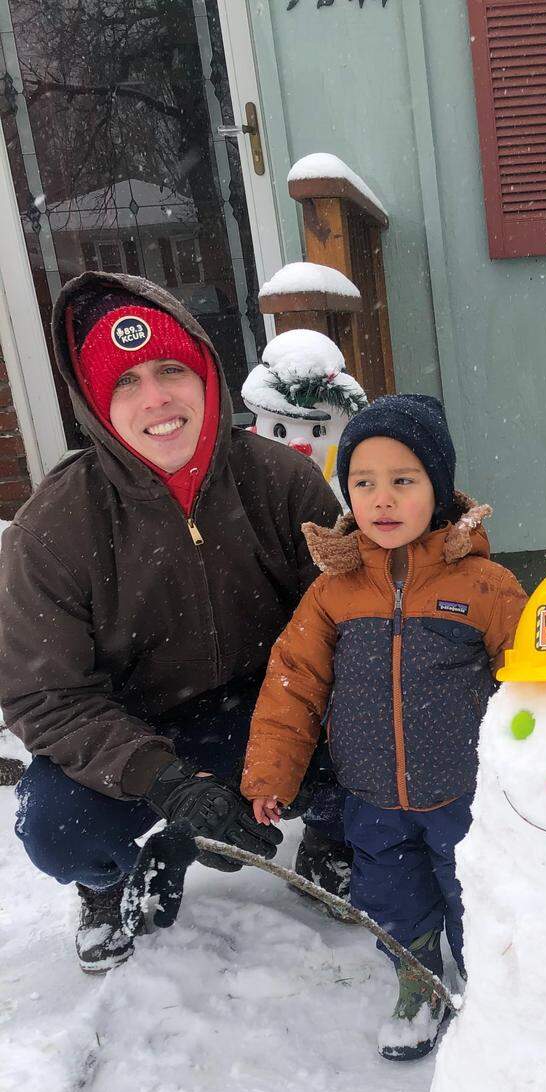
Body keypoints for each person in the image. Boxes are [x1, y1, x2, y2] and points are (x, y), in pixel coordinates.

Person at [0, 271, 347, 972]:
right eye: (125, 381)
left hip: (268, 705)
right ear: (98, 404)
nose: (155, 397)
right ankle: (104, 883)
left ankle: (331, 838)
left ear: (205, 376)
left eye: (168, 370)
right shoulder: (54, 527)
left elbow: (351, 625)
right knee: (57, 828)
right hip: (138, 731)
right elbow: (46, 695)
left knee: (375, 735)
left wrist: (307, 739)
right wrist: (166, 783)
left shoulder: (281, 482)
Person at [241, 395, 527, 1061]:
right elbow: (294, 681)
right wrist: (270, 773)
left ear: (439, 487)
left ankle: (494, 990)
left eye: (403, 480)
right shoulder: (334, 592)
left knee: (476, 894)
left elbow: (530, 684)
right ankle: (417, 979)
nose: (383, 499)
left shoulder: (485, 585)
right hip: (370, 796)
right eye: (364, 483)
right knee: (391, 896)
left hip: (467, 793)